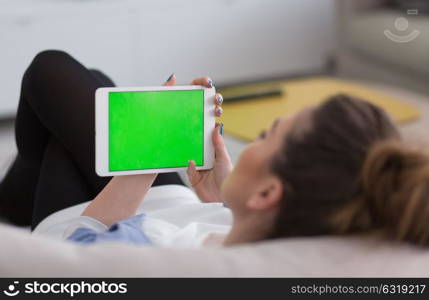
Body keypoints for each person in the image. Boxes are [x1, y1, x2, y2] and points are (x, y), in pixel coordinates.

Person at [1, 50, 429, 248]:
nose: (254, 141)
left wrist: (144, 158)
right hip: (186, 203)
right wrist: (222, 198)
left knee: (50, 78)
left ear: (267, 193)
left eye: (265, 137)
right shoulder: (296, 224)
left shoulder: (153, 249)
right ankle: (15, 200)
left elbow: (71, 245)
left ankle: (13, 205)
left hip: (101, 217)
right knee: (87, 82)